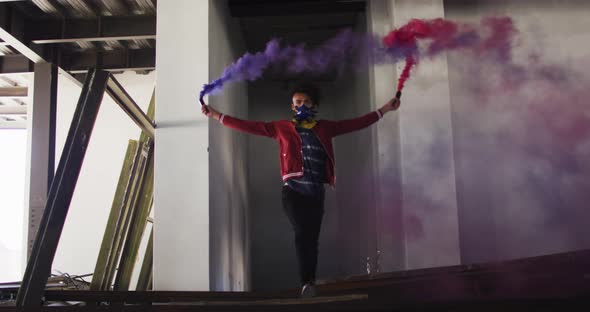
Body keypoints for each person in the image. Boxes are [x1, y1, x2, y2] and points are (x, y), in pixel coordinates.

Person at [201, 83, 401, 298]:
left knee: (312, 239)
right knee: (302, 233)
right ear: (292, 106)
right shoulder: (281, 127)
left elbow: (355, 123)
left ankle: (309, 283)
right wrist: (216, 115)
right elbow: (250, 126)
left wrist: (385, 109)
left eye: (306, 102)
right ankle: (306, 281)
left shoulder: (325, 127)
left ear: (314, 104)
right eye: (298, 102)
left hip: (316, 193)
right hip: (293, 192)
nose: (302, 105)